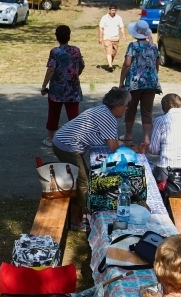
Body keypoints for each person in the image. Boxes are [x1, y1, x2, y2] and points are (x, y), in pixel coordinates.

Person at [52, 87, 131, 230]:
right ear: (118, 106)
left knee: (84, 179)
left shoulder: (103, 110)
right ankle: (78, 220)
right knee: (83, 183)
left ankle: (79, 214)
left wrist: (124, 145)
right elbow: (113, 147)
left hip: (63, 142)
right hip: (67, 146)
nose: (126, 109)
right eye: (126, 106)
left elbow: (110, 140)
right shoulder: (108, 118)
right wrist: (130, 148)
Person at [119, 19, 161, 153]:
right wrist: (153, 76)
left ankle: (128, 135)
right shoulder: (153, 47)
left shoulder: (133, 46)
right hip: (151, 83)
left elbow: (127, 64)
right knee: (147, 111)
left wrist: (121, 81)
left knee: (130, 109)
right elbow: (157, 64)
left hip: (135, 83)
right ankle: (146, 139)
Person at [41, 25, 85, 147]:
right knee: (74, 115)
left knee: (53, 114)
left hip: (57, 89)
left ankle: (50, 138)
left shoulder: (55, 52)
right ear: (69, 36)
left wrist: (44, 85)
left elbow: (51, 69)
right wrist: (75, 75)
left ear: (56, 37)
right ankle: (76, 139)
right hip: (73, 88)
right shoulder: (76, 50)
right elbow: (81, 65)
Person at [98, 4, 126, 72]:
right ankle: (110, 66)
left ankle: (109, 63)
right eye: (112, 10)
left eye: (115, 10)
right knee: (109, 52)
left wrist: (124, 35)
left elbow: (121, 27)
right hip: (107, 38)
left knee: (113, 53)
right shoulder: (104, 18)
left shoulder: (118, 18)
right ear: (109, 10)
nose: (114, 12)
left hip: (116, 38)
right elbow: (101, 28)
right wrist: (100, 37)